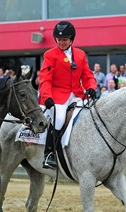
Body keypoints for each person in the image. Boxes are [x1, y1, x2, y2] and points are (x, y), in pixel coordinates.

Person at [39, 21, 97, 169]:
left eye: (64, 39)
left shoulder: (80, 54)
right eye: (58, 40)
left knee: (92, 114)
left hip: (77, 94)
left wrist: (91, 87)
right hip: (58, 95)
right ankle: (49, 154)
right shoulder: (50, 55)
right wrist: (47, 97)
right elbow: (45, 78)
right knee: (58, 118)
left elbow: (88, 76)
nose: (61, 42)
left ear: (71, 39)